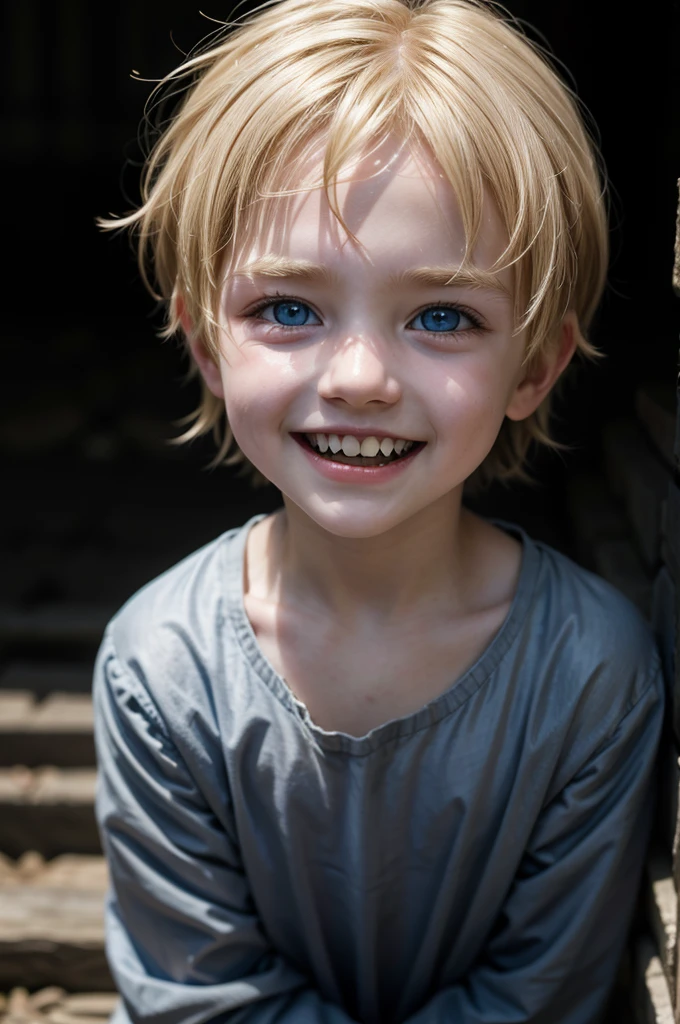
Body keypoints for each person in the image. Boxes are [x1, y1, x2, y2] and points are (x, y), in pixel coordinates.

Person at [93, 1, 665, 1022]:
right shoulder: (159, 667)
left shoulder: (587, 670)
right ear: (204, 342)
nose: (358, 377)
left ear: (534, 364)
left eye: (440, 316)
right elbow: (200, 998)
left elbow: (543, 995)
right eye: (288, 309)